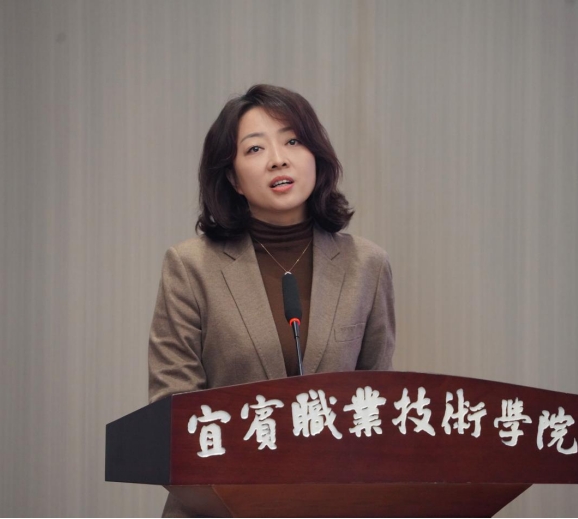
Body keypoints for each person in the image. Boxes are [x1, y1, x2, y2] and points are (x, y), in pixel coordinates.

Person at [147, 84, 395, 517]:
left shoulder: (366, 266)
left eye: (293, 141)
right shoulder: (190, 267)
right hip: (219, 509)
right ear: (233, 178)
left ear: (316, 155)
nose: (278, 159)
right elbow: (173, 412)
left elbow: (374, 407)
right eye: (255, 148)